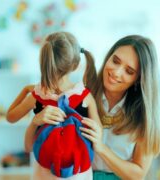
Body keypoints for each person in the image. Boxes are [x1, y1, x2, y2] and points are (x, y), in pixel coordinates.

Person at [30, 34, 160, 180]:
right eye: (115, 61)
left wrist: (101, 147)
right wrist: (37, 120)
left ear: (139, 79)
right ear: (108, 57)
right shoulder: (82, 96)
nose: (116, 72)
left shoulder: (145, 116)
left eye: (129, 71)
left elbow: (138, 174)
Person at [6, 31, 101, 180]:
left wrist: (25, 91)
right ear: (75, 65)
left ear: (44, 61)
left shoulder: (37, 96)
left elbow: (11, 119)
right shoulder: (85, 97)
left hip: (43, 174)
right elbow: (98, 136)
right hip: (78, 173)